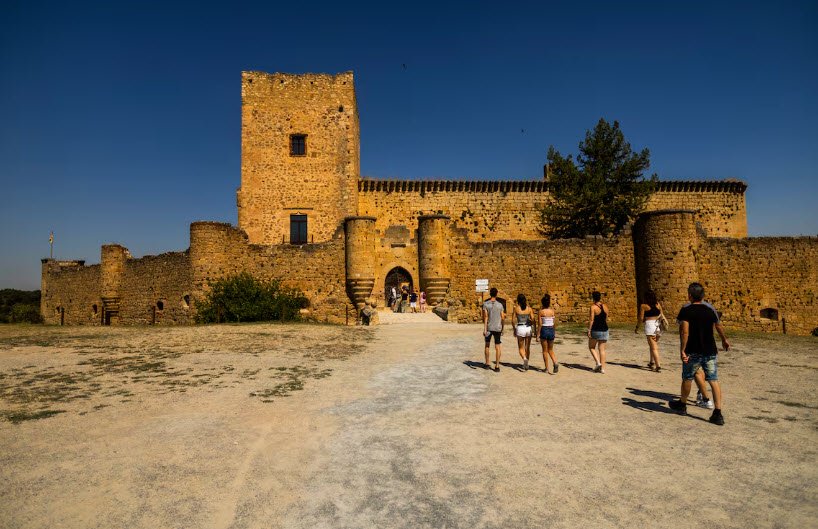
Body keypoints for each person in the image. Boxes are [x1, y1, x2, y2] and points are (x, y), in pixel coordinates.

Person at [669, 282, 730, 425]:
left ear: (689, 295)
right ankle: (718, 412)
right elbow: (718, 325)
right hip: (709, 350)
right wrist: (724, 339)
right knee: (713, 379)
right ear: (703, 296)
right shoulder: (710, 309)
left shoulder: (686, 310)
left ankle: (682, 405)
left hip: (693, 350)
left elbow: (685, 331)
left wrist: (683, 349)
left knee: (688, 377)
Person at [635, 289, 665, 372]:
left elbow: (640, 318)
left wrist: (637, 327)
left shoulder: (644, 306)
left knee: (654, 347)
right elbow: (661, 315)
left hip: (650, 326)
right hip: (658, 326)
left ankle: (658, 365)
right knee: (653, 345)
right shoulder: (658, 304)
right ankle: (651, 362)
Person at [482, 287, 506, 372]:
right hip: (497, 328)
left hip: (489, 328)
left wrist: (485, 329)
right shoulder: (500, 305)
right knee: (497, 347)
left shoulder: (486, 304)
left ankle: (487, 363)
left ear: (490, 294)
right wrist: (503, 328)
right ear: (496, 294)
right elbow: (503, 318)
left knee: (487, 345)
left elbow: (485, 317)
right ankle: (497, 365)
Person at [512, 293, 535, 371]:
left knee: (521, 348)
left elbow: (513, 321)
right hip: (528, 328)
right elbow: (533, 319)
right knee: (527, 347)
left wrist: (514, 329)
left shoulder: (516, 309)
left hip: (520, 327)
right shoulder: (529, 309)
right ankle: (527, 363)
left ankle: (524, 359)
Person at [587, 291, 609, 373]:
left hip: (596, 330)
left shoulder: (593, 307)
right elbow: (606, 319)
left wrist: (589, 330)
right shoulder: (605, 306)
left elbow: (591, 319)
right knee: (602, 350)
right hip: (605, 330)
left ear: (593, 298)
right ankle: (602, 369)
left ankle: (598, 363)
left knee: (591, 347)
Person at [538, 294, 558, 374]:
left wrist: (537, 334)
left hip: (544, 330)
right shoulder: (552, 311)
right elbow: (554, 323)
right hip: (551, 330)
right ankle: (555, 362)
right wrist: (554, 332)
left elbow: (540, 324)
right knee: (551, 350)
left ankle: (546, 368)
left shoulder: (541, 312)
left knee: (544, 351)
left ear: (542, 303)